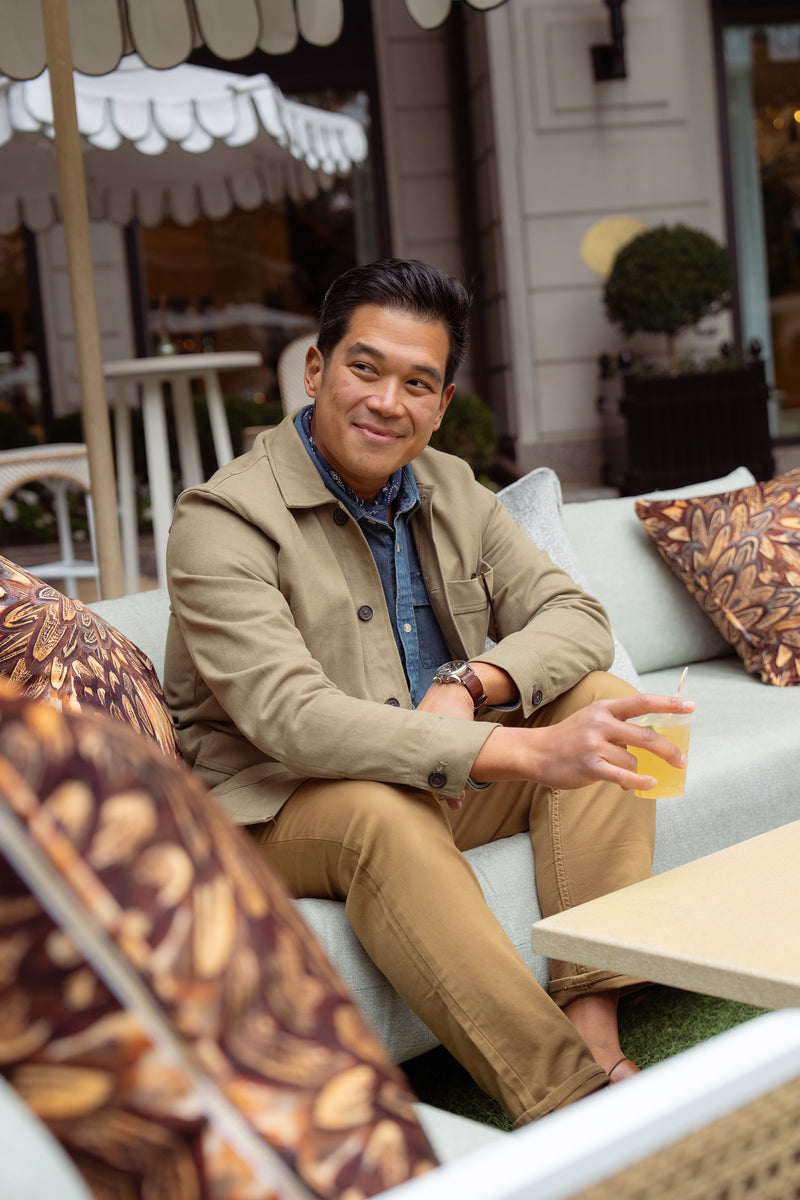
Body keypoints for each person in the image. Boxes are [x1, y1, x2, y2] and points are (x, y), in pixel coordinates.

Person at [164, 257, 693, 1128]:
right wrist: (514, 746)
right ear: (316, 370)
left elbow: (576, 616)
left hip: (432, 770)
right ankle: (569, 1106)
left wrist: (470, 681)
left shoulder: (451, 487)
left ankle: (596, 1029)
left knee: (602, 703)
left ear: (441, 404)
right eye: (364, 368)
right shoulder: (221, 520)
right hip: (276, 804)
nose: (386, 402)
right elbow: (292, 719)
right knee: (381, 813)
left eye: (417, 383)